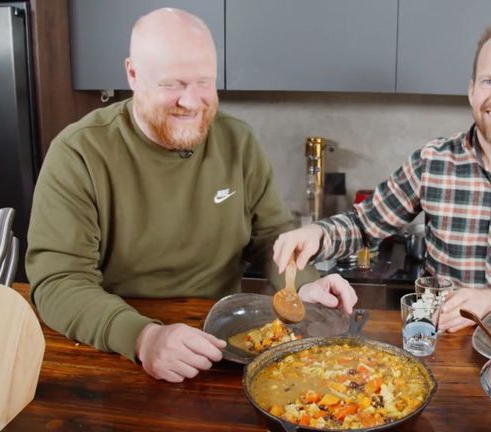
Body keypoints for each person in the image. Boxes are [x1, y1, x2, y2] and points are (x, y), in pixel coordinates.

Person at [26, 8, 356, 383]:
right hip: (117, 351)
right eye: (172, 84)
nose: (191, 101)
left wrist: (302, 285)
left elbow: (271, 238)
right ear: (133, 74)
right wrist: (142, 337)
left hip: (224, 347)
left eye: (204, 82)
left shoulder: (238, 141)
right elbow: (58, 282)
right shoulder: (79, 152)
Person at [273, 23, 491, 332]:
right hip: (436, 341)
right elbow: (363, 225)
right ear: (472, 89)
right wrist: (317, 233)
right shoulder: (432, 161)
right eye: (489, 81)